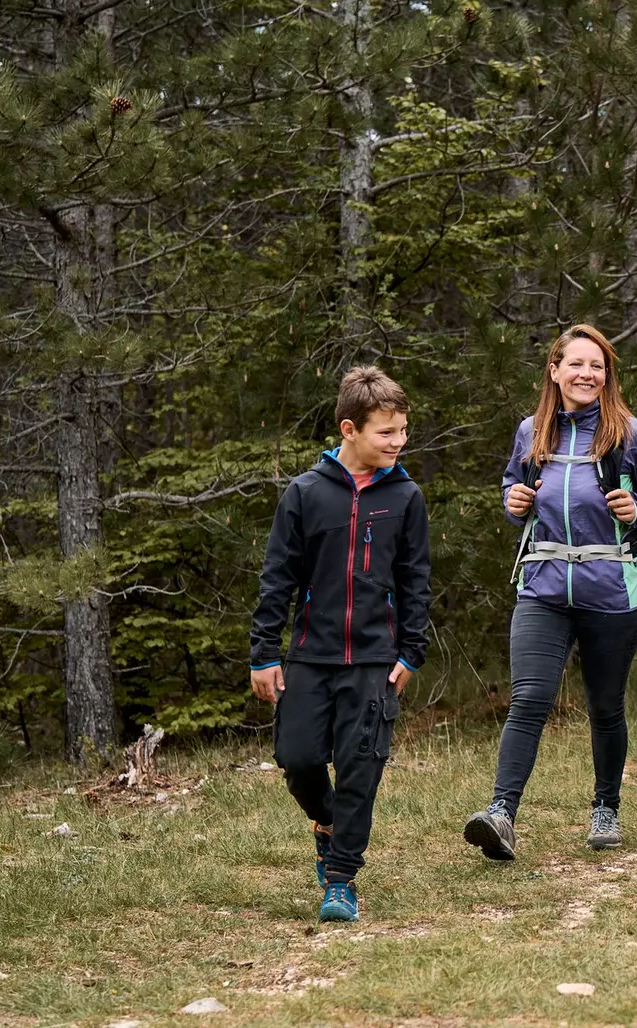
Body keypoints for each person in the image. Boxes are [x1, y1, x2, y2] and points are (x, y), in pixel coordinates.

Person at [465, 324, 637, 861]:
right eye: (576, 364)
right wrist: (513, 502)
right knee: (530, 698)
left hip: (612, 590)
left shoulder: (632, 434)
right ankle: (501, 813)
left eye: (597, 366)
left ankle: (606, 807)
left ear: (607, 376)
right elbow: (512, 486)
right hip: (543, 584)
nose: (587, 374)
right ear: (554, 371)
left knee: (605, 706)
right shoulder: (530, 431)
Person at [249, 366, 431, 924]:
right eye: (386, 432)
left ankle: (341, 879)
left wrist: (411, 652)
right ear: (349, 429)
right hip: (310, 654)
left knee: (360, 768)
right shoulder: (305, 494)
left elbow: (415, 580)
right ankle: (327, 824)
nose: (399, 441)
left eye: (403, 430)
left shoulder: (406, 497)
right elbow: (278, 577)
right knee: (297, 758)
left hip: (376, 659)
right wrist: (264, 653)